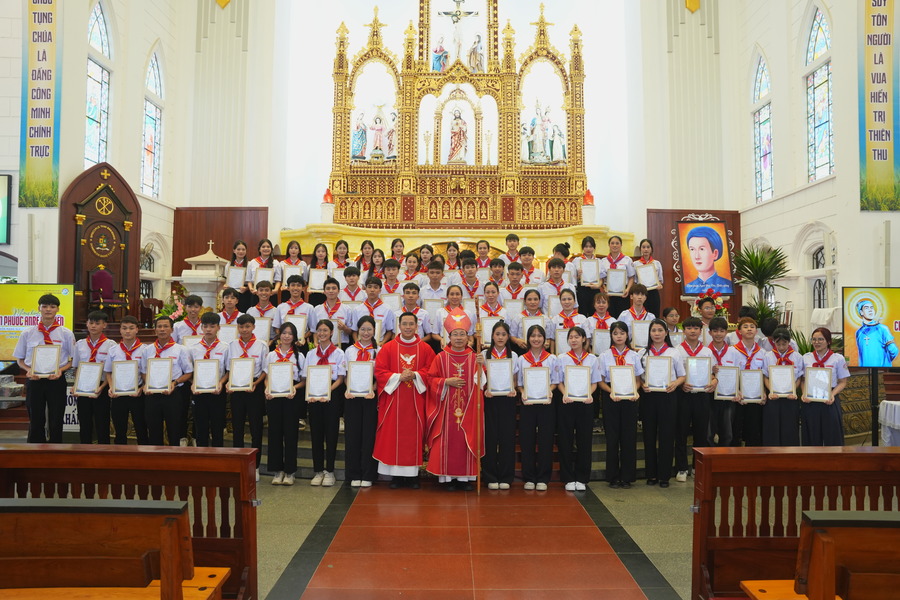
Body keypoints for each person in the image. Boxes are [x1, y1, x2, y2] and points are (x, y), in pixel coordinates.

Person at [373, 312, 436, 488]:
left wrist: (415, 375)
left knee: (414, 436)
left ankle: (412, 477)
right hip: (394, 400)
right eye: (405, 324)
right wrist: (398, 377)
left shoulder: (425, 349)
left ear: (417, 326)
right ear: (399, 326)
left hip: (416, 400)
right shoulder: (388, 348)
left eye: (411, 324)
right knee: (393, 435)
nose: (408, 327)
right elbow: (380, 371)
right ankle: (396, 477)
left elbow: (432, 371)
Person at [425, 310, 485, 491]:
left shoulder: (474, 357)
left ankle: (464, 479)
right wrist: (446, 382)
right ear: (449, 337)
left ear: (468, 337)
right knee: (448, 442)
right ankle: (448, 479)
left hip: (469, 409)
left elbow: (482, 383)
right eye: (455, 334)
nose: (459, 338)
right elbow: (430, 380)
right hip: (446, 411)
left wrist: (482, 366)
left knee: (466, 440)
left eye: (462, 334)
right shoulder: (441, 357)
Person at [15, 294, 76, 443]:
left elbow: (74, 360)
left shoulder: (66, 334)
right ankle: (35, 449)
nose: (48, 309)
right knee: (35, 417)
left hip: (56, 380)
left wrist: (61, 370)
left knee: (57, 417)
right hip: (34, 380)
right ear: (39, 308)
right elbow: (19, 359)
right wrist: (28, 370)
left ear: (58, 309)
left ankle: (56, 448)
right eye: (45, 306)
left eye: (52, 306)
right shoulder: (27, 333)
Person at [638, 319, 685, 488]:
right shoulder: (642, 353)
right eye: (653, 330)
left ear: (666, 333)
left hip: (668, 396)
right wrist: (642, 384)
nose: (656, 333)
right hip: (649, 397)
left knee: (667, 435)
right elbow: (637, 376)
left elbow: (682, 375)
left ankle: (664, 475)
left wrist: (675, 384)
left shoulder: (674, 352)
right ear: (649, 333)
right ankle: (651, 474)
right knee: (649, 435)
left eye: (660, 330)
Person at [598, 322, 642, 488]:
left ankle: (627, 476)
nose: (619, 336)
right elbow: (601, 381)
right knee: (612, 438)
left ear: (627, 335)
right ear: (611, 335)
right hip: (611, 398)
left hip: (630, 400)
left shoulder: (634, 355)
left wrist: (635, 391)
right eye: (615, 333)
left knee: (629, 437)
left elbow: (638, 380)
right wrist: (611, 392)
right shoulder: (604, 356)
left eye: (622, 333)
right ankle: (613, 476)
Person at [517, 324, 560, 491]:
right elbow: (519, 383)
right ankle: (529, 477)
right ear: (528, 339)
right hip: (527, 404)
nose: (536, 339)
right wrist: (522, 393)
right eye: (533, 336)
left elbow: (555, 381)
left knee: (546, 440)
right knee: (526, 440)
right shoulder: (522, 359)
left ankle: (543, 477)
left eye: (539, 336)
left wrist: (549, 391)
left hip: (546, 403)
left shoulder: (552, 359)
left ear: (544, 339)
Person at [556, 326, 600, 491]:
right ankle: (568, 477)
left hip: (585, 404)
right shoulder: (562, 358)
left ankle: (582, 478)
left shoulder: (592, 359)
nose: (573, 340)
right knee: (565, 440)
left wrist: (590, 394)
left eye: (577, 337)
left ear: (583, 339)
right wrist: (564, 393)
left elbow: (595, 382)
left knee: (584, 440)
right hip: (567, 403)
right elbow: (559, 381)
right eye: (571, 337)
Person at [673, 317, 716, 483]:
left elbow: (712, 373)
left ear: (700, 331)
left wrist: (714, 381)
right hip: (683, 395)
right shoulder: (677, 351)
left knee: (701, 433)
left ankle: (698, 466)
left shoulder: (707, 352)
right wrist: (681, 384)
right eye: (689, 328)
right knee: (681, 432)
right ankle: (682, 468)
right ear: (684, 330)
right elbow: (674, 374)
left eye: (696, 328)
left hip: (702, 396)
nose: (692, 331)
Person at [305, 320, 346, 487]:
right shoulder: (311, 354)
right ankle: (318, 470)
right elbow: (307, 376)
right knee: (316, 434)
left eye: (325, 330)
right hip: (314, 397)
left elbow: (341, 378)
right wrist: (311, 393)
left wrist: (327, 391)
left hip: (332, 396)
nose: (322, 333)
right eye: (319, 330)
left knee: (331, 434)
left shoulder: (339, 353)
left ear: (331, 333)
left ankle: (329, 471)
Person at [142, 316, 193, 446]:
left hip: (173, 393)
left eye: (166, 326)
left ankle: (174, 457)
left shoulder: (181, 349)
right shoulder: (147, 350)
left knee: (174, 430)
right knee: (153, 430)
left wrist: (175, 383)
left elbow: (188, 373)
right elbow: (144, 371)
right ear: (155, 330)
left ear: (171, 330)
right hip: (152, 394)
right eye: (159, 326)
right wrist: (147, 384)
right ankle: (156, 457)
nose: (162, 329)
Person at [227, 314, 268, 477]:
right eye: (241, 327)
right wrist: (229, 383)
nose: (244, 330)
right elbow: (229, 368)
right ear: (238, 328)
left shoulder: (261, 345)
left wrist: (256, 384)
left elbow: (265, 370)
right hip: (237, 389)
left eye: (247, 326)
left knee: (256, 428)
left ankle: (255, 467)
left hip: (254, 388)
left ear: (253, 327)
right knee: (237, 428)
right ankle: (238, 465)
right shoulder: (232, 345)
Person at [265, 322, 305, 486]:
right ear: (279, 335)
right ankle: (277, 470)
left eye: (290, 333)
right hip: (274, 397)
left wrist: (294, 388)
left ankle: (290, 471)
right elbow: (267, 376)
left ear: (294, 337)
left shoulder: (299, 356)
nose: (287, 336)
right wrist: (267, 388)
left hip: (291, 397)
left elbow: (303, 380)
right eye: (284, 333)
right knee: (274, 433)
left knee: (290, 433)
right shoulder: (271, 355)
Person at [480, 321, 518, 490]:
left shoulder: (514, 355)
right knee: (490, 437)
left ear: (508, 337)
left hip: (507, 400)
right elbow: (479, 378)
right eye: (497, 334)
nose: (500, 337)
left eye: (503, 334)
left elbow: (515, 379)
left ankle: (506, 476)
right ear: (492, 336)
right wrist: (485, 389)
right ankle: (489, 476)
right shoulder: (484, 354)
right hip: (490, 399)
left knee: (507, 438)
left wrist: (513, 388)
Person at [343, 315, 379, 487]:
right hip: (352, 397)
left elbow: (381, 375)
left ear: (374, 331)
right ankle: (353, 474)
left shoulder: (379, 351)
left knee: (369, 436)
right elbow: (345, 374)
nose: (366, 333)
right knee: (352, 435)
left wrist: (373, 388)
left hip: (370, 397)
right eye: (363, 329)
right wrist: (348, 388)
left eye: (369, 329)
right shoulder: (350, 351)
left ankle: (368, 474)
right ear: (357, 331)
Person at [800, 327, 849, 446]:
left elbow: (843, 382)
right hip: (811, 400)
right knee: (811, 435)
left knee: (832, 435)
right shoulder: (806, 357)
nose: (817, 342)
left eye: (821, 339)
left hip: (829, 399)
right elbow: (803, 380)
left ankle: (833, 457)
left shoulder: (838, 359)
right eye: (814, 339)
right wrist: (804, 393)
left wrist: (832, 394)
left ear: (828, 341)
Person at [72, 310, 115, 444]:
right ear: (87, 324)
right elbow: (76, 367)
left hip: (102, 387)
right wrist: (76, 386)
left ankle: (104, 451)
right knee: (84, 422)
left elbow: (111, 371)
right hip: (83, 387)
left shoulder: (111, 345)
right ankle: (84, 450)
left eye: (97, 323)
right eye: (91, 323)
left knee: (102, 422)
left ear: (104, 325)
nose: (93, 326)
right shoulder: (80, 344)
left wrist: (102, 387)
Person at [104, 315, 148, 444]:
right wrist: (111, 387)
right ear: (120, 330)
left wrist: (141, 389)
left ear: (137, 330)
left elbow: (148, 373)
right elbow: (108, 372)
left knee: (141, 427)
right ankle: (119, 454)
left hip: (137, 394)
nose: (127, 331)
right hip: (118, 394)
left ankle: (143, 452)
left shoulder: (145, 350)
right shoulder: (113, 350)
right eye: (124, 328)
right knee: (119, 429)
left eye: (131, 328)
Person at [189, 311, 230, 448]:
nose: (208, 329)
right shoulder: (194, 348)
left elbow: (228, 371)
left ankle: (218, 458)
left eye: (212, 326)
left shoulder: (225, 347)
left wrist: (221, 383)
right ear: (201, 327)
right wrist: (193, 383)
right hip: (199, 393)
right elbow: (189, 372)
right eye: (205, 326)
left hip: (217, 392)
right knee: (201, 429)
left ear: (218, 327)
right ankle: (202, 458)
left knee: (217, 428)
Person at [762, 326, 804, 446]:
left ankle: (790, 452)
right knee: (772, 427)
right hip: (773, 397)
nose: (781, 347)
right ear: (773, 342)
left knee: (789, 427)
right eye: (778, 344)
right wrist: (771, 391)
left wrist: (793, 391)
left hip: (790, 398)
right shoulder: (768, 356)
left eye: (784, 344)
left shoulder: (797, 357)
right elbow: (765, 377)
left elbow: (799, 378)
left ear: (789, 342)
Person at [729, 317, 767, 447]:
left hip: (756, 394)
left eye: (752, 327)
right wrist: (736, 391)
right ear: (739, 331)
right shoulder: (732, 351)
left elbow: (764, 375)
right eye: (745, 327)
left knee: (754, 429)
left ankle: (753, 456)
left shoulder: (762, 353)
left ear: (756, 331)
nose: (749, 329)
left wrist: (763, 392)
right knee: (736, 429)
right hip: (737, 394)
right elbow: (730, 374)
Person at [706, 317, 736, 447]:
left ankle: (725, 457)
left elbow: (738, 373)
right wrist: (711, 373)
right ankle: (710, 457)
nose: (718, 334)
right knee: (709, 431)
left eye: (722, 331)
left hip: (728, 395)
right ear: (710, 332)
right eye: (715, 331)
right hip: (710, 394)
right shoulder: (705, 352)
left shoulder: (733, 352)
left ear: (726, 332)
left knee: (727, 432)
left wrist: (737, 390)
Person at [684, 226, 733, 294]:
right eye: (692, 249)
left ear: (715, 254)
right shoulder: (687, 289)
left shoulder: (728, 287)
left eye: (702, 249)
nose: (696, 256)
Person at [351, 277, 396, 345]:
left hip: (379, 343)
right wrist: (357, 342)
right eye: (369, 287)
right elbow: (354, 330)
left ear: (380, 290)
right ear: (365, 289)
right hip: (361, 344)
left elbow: (389, 331)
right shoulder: (357, 309)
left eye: (375, 287)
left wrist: (382, 343)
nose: (372, 290)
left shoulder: (387, 309)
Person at [854, 298, 898, 367]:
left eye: (872, 307)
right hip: (864, 370)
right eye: (866, 308)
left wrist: (885, 362)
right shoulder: (859, 332)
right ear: (861, 312)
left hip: (882, 369)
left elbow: (894, 350)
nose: (870, 310)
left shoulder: (883, 329)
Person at [601, 236, 635, 317]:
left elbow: (631, 277)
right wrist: (604, 288)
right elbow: (601, 278)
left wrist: (627, 289)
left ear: (621, 245)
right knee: (609, 317)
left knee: (623, 317)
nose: (615, 245)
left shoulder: (627, 260)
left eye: (617, 243)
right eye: (612, 243)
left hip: (623, 293)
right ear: (609, 245)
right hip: (609, 293)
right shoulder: (603, 261)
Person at [278, 274, 316, 347]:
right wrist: (285, 338)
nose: (295, 288)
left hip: (302, 344)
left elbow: (312, 329)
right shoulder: (280, 307)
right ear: (288, 288)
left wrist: (302, 338)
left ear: (303, 288)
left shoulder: (309, 308)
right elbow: (277, 328)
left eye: (298, 285)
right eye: (292, 285)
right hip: (285, 344)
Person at [313, 277, 352, 349]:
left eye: (334, 288)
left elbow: (351, 331)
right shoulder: (317, 309)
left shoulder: (347, 309)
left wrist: (344, 328)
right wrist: (315, 342)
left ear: (339, 291)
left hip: (340, 346)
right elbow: (314, 330)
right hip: (322, 345)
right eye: (328, 288)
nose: (331, 291)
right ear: (324, 291)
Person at [550, 289, 587, 353]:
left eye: (569, 299)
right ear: (560, 302)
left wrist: (582, 354)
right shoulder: (555, 320)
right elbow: (552, 339)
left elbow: (587, 338)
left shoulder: (582, 318)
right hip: (560, 355)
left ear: (574, 301)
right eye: (564, 299)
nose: (567, 302)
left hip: (578, 355)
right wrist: (553, 354)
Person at [574, 236, 601, 317]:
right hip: (582, 289)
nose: (588, 249)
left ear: (594, 248)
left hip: (595, 289)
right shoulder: (577, 260)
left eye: (591, 246)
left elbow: (602, 278)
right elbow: (574, 279)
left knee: (594, 313)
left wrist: (598, 285)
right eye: (586, 246)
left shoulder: (599, 261)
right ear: (582, 248)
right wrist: (578, 276)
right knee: (582, 312)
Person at [636, 239, 664, 318]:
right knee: (641, 316)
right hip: (641, 293)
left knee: (654, 316)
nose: (646, 249)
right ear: (640, 249)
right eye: (643, 247)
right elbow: (634, 281)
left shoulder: (657, 263)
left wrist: (659, 285)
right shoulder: (635, 264)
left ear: (651, 249)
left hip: (653, 293)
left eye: (648, 247)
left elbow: (660, 280)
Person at [229, 240, 254, 312]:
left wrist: (246, 288)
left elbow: (252, 281)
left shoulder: (250, 264)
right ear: (234, 250)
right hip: (232, 292)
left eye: (243, 249)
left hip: (245, 292)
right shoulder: (229, 264)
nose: (241, 251)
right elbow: (226, 279)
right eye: (238, 249)